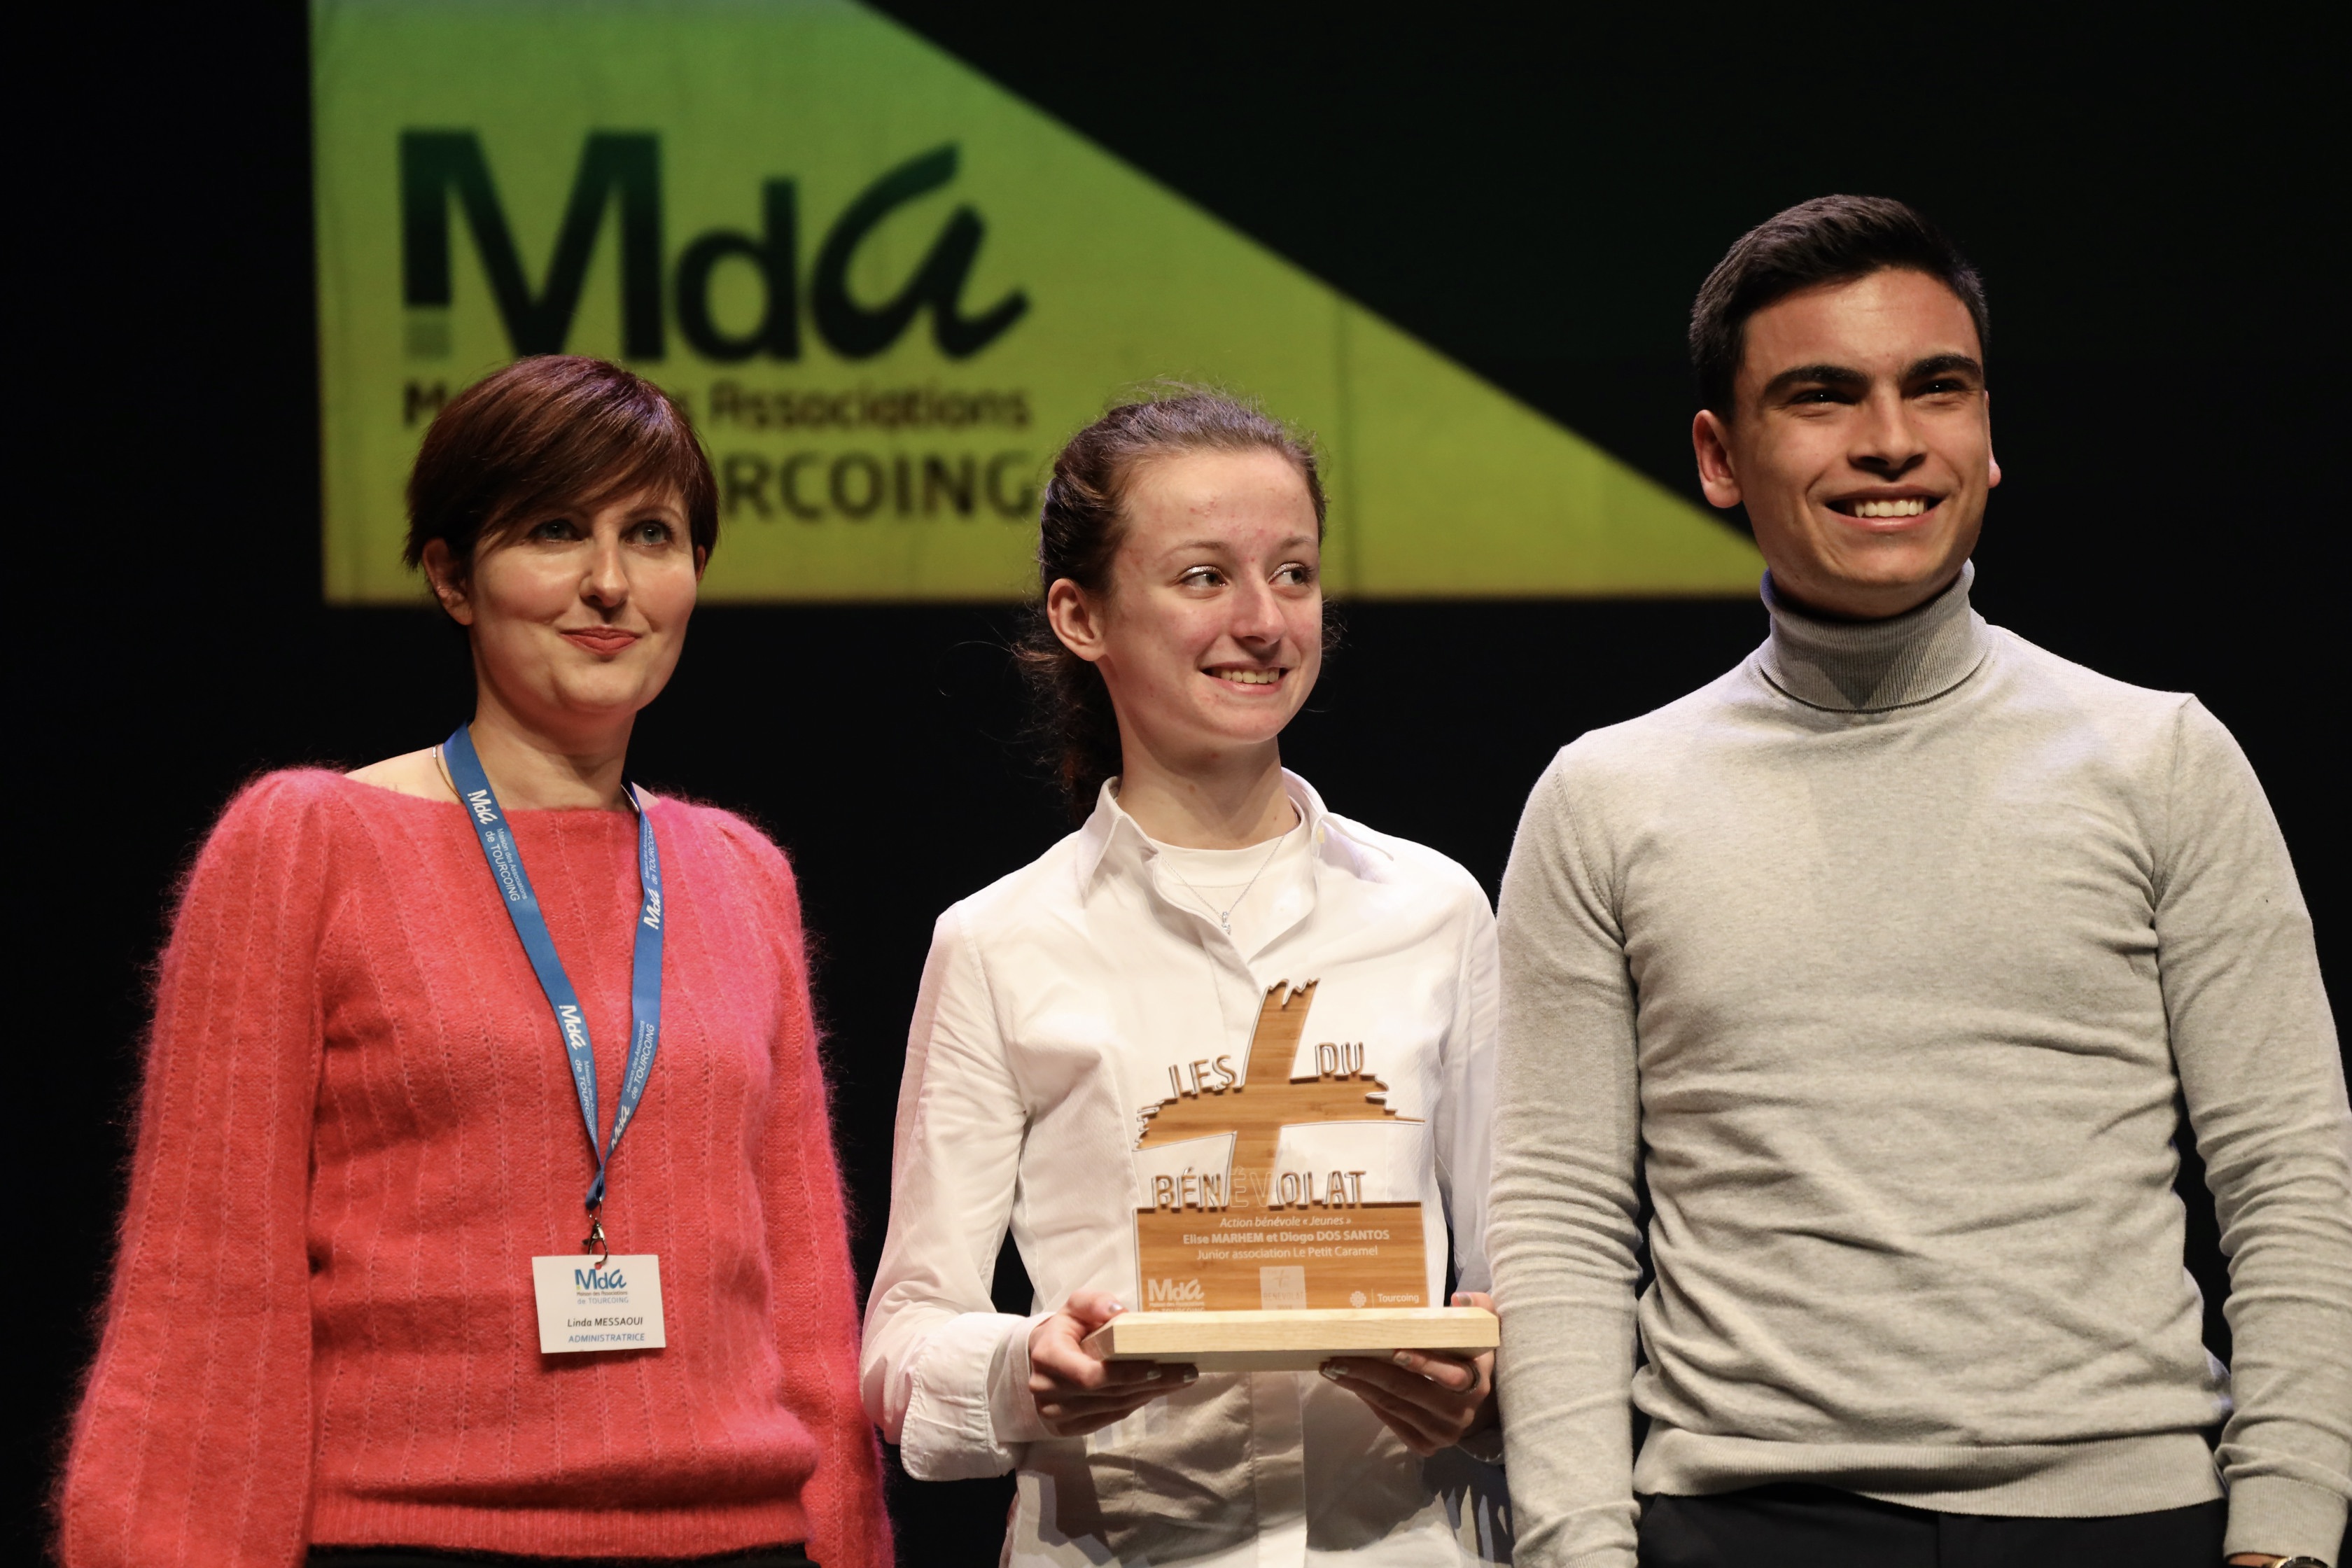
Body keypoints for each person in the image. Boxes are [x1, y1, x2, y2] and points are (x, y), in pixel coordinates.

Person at [1488, 195, 2352, 1568]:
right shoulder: (1605, 798)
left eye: (1936, 387)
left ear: (1987, 432)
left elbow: (2287, 1172)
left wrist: (2290, 1530)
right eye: (1823, 396)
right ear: (1719, 455)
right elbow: (1559, 1220)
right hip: (1745, 1522)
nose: (1890, 440)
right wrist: (1576, 1546)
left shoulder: (2164, 759)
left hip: (2125, 1517)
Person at [58, 356, 890, 1568]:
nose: (609, 582)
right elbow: (207, 1294)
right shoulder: (308, 843)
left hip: (739, 1540)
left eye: (650, 534)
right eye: (555, 531)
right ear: (454, 577)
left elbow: (806, 1300)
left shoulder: (737, 873)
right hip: (418, 1537)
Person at [859, 391, 1511, 1566]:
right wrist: (1024, 1370)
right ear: (1082, 615)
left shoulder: (1435, 909)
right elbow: (903, 1342)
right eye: (1204, 577)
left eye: (1294, 574)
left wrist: (1486, 1387)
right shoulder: (1001, 940)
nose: (1263, 621)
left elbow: (1525, 1272)